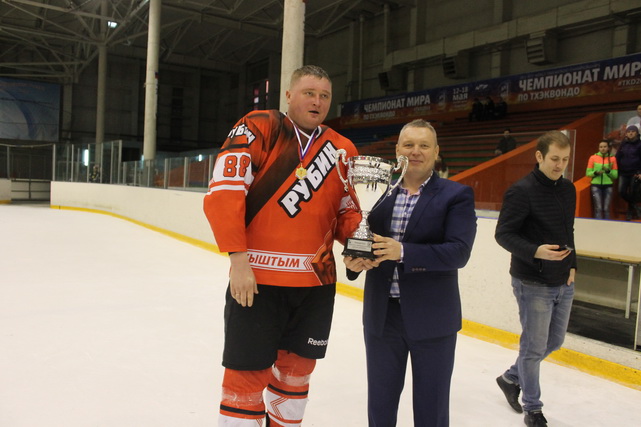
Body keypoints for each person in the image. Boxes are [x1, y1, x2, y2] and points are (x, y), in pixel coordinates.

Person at [203, 65, 360, 426]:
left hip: (316, 284)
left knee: (296, 376)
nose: (317, 101)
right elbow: (225, 194)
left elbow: (346, 211)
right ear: (288, 95)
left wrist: (358, 243)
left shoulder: (343, 149)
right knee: (245, 378)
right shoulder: (259, 127)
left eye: (324, 96)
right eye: (309, 93)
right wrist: (238, 261)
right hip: (258, 281)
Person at [344, 119, 477, 427]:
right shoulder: (377, 193)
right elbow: (363, 240)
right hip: (382, 316)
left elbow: (459, 252)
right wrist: (354, 263)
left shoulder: (456, 195)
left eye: (423, 145)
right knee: (380, 404)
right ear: (397, 150)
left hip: (433, 318)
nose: (415, 151)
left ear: (436, 152)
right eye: (408, 145)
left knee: (431, 408)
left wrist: (403, 251)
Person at [494, 130, 577, 427]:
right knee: (533, 347)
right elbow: (503, 234)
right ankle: (533, 409)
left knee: (553, 341)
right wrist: (535, 251)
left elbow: (569, 231)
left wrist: (573, 265)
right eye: (554, 158)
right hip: (532, 282)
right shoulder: (521, 191)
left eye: (564, 159)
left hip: (563, 279)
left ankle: (510, 378)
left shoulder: (568, 189)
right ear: (539, 156)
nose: (560, 165)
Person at [586, 140, 618, 219]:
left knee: (606, 208)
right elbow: (588, 173)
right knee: (598, 208)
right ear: (598, 148)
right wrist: (596, 173)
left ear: (608, 148)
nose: (603, 149)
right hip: (596, 185)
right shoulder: (593, 158)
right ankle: (597, 225)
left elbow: (615, 175)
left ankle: (607, 225)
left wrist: (608, 171)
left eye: (604, 147)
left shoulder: (612, 158)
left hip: (608, 185)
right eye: (601, 147)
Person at [615, 125, 641, 220]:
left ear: (637, 133)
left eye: (633, 131)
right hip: (623, 172)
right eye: (629, 131)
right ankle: (636, 207)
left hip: (635, 173)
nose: (630, 133)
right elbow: (617, 157)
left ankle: (629, 213)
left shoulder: (640, 144)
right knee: (621, 191)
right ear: (626, 133)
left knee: (633, 192)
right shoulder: (623, 144)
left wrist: (640, 172)